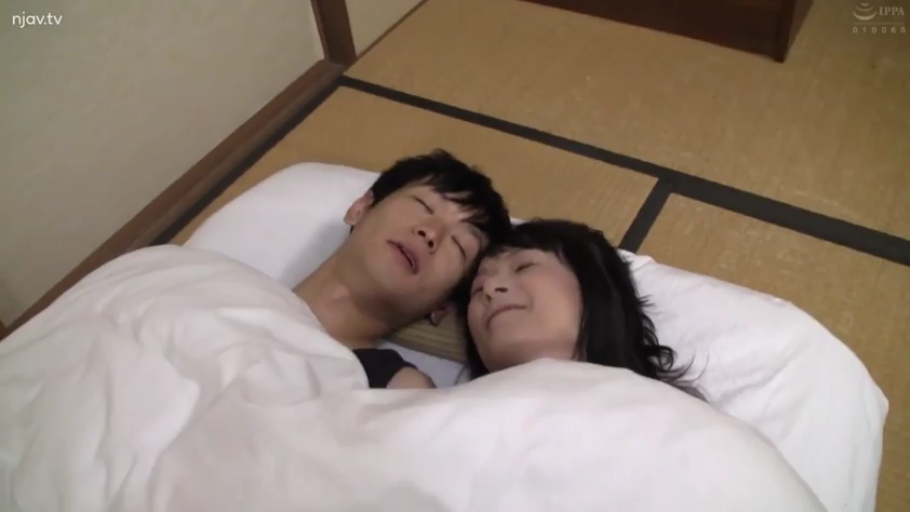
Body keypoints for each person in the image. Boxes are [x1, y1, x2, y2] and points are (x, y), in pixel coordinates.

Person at [293, 150, 511, 390]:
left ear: (443, 307)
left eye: (459, 244)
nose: (430, 232)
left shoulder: (396, 390)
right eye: (423, 205)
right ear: (360, 208)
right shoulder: (257, 293)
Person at [454, 218, 703, 399]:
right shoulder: (444, 414)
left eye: (523, 267)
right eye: (477, 288)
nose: (490, 288)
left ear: (592, 285)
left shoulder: (676, 415)